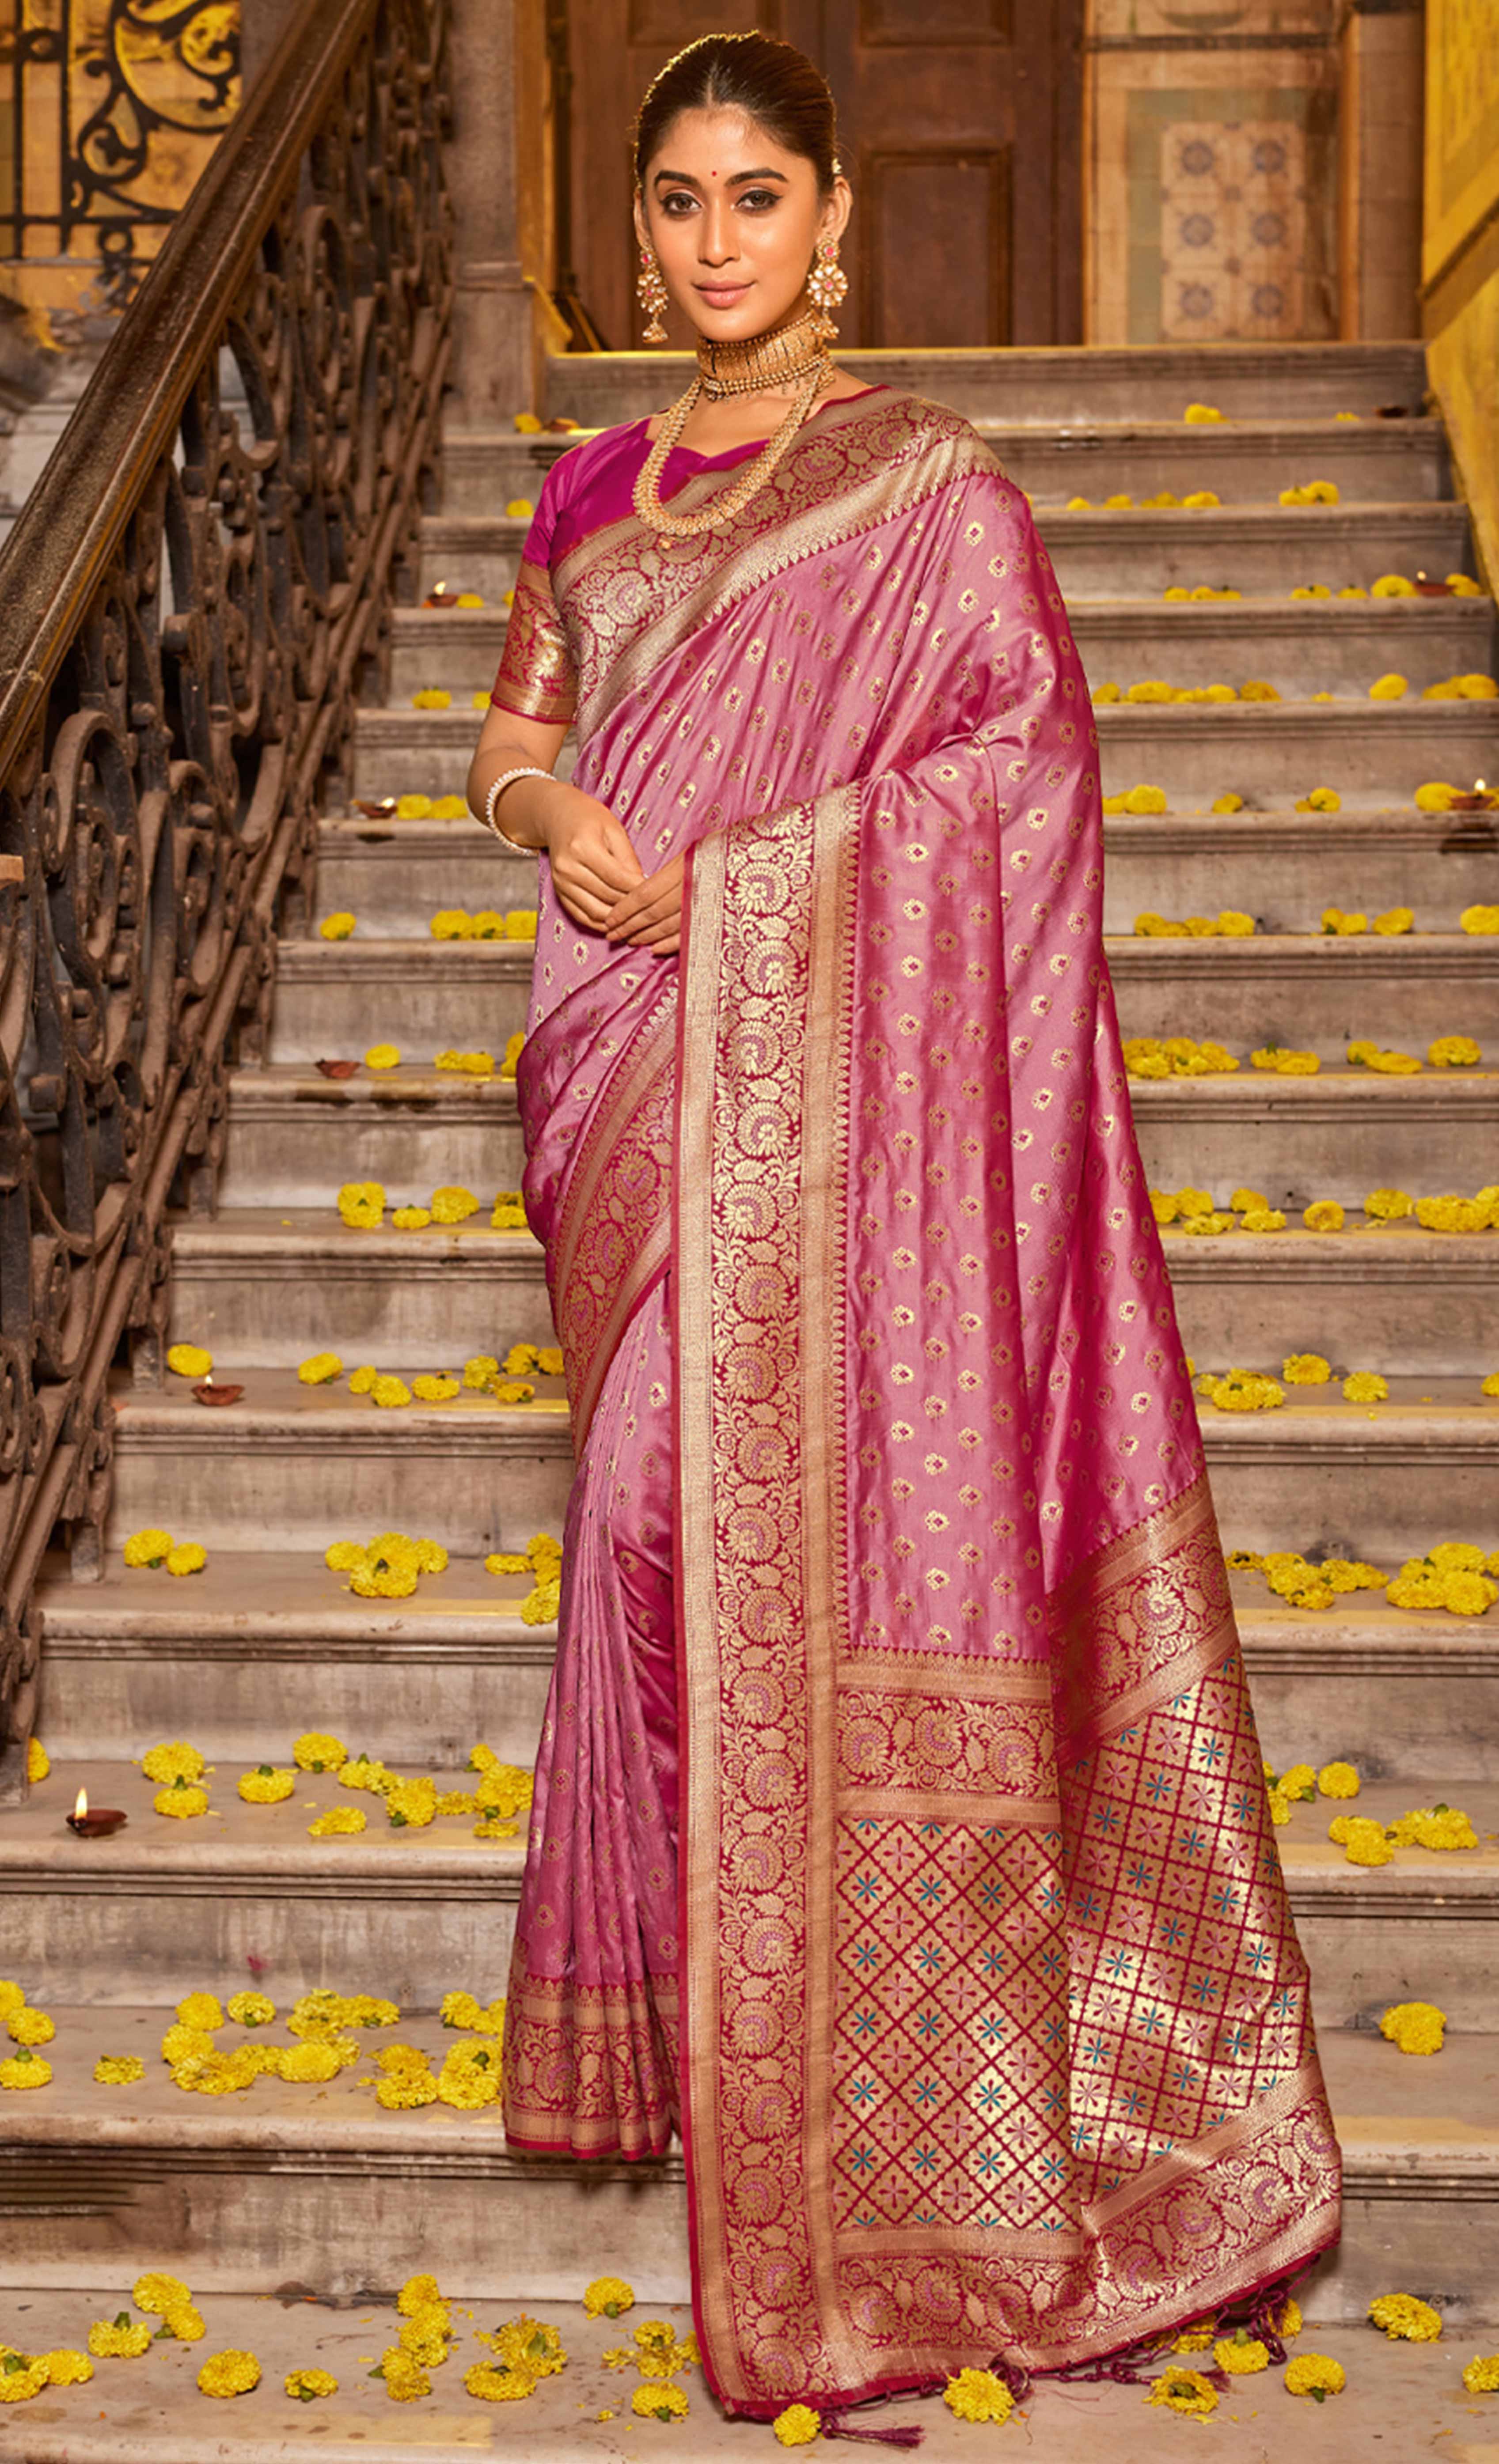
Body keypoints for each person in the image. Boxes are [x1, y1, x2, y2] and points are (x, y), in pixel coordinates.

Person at [468, 28, 1340, 2427]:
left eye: (757, 195)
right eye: (676, 199)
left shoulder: (937, 497)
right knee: (653, 1525)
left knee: (724, 1522)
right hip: (624, 1065)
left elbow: (1010, 772)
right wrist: (557, 820)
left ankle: (874, 2091)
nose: (715, 238)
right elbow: (504, 731)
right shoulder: (587, 490)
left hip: (836, 1104)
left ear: (833, 219)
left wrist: (756, 885)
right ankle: (732, 2039)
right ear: (635, 229)